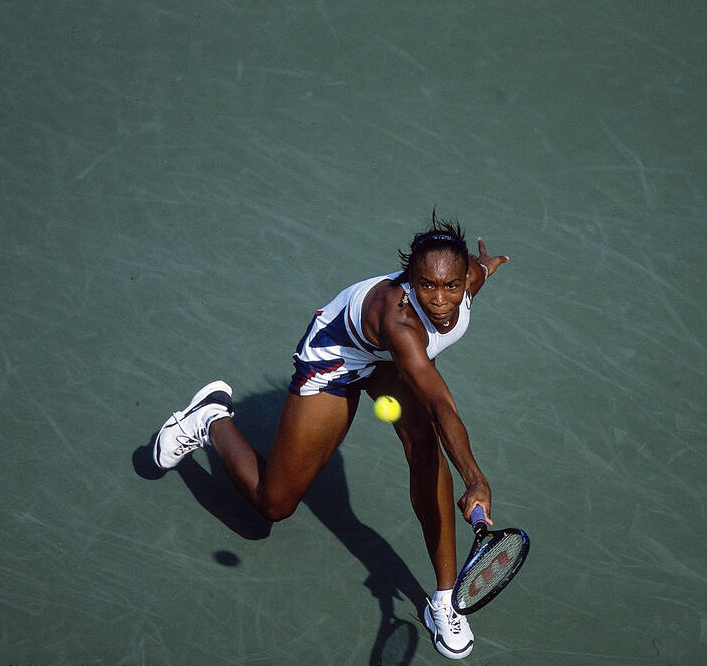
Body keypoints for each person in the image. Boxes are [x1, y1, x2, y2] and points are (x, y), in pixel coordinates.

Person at [152, 215, 509, 660]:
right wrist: (475, 477)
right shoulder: (401, 320)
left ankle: (445, 599)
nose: (439, 300)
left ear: (465, 280)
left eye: (451, 286)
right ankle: (210, 419)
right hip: (336, 360)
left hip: (386, 363)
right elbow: (441, 405)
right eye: (426, 286)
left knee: (425, 449)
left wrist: (486, 264)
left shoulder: (468, 278)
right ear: (411, 280)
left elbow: (478, 271)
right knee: (273, 504)